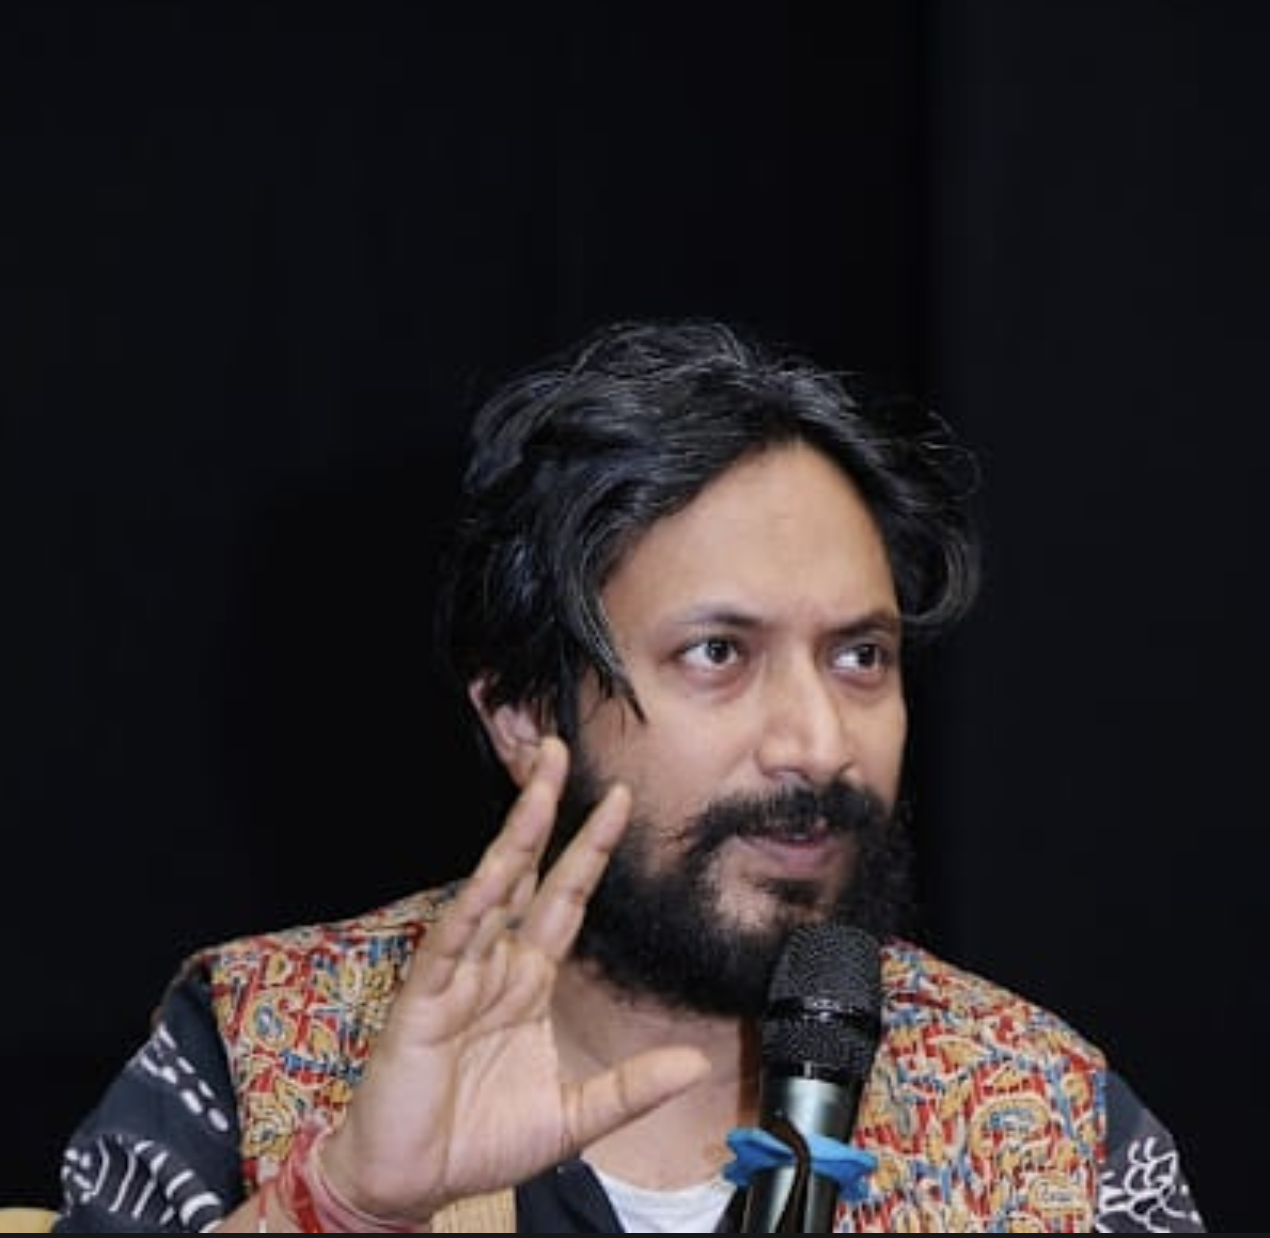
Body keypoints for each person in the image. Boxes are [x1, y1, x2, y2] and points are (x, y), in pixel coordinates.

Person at [50, 318, 1205, 1233]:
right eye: (718, 653)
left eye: (860, 656)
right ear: (521, 714)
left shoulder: (1047, 1121)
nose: (817, 741)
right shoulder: (254, 1048)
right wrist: (341, 1202)